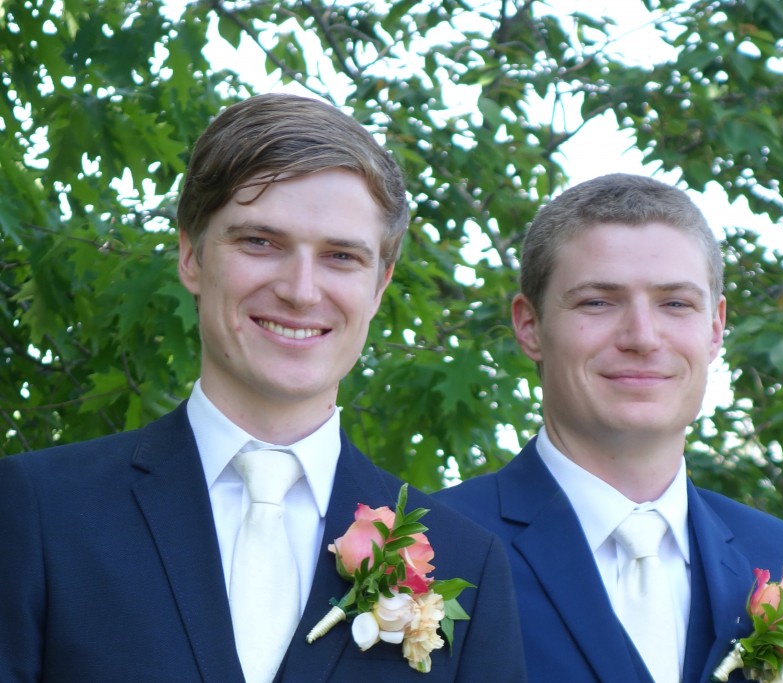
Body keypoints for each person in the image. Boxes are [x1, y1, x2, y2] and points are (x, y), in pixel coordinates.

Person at [0, 93, 525, 683]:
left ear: (379, 286)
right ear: (191, 256)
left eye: (341, 256)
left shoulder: (465, 559)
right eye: (260, 243)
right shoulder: (38, 511)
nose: (301, 291)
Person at [435, 173, 783, 683]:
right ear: (530, 326)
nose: (642, 336)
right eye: (598, 301)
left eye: (676, 303)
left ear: (715, 328)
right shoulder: (433, 550)